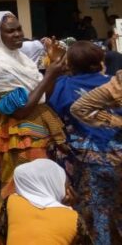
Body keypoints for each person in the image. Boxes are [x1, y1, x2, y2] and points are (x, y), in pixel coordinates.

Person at [0, 11, 67, 200]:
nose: (17, 34)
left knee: (45, 189)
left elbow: (44, 96)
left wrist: (54, 65)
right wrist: (49, 76)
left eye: (19, 29)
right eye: (10, 31)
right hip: (19, 136)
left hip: (38, 128)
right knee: (23, 192)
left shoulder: (21, 59)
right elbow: (20, 111)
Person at [49, 42, 122, 244]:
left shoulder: (63, 85)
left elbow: (55, 113)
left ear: (70, 65)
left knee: (94, 212)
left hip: (86, 162)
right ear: (100, 61)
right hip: (118, 156)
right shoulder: (115, 84)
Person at [0, 159, 91, 245]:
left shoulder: (12, 202)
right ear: (55, 185)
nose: (68, 187)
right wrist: (71, 207)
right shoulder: (73, 219)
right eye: (66, 183)